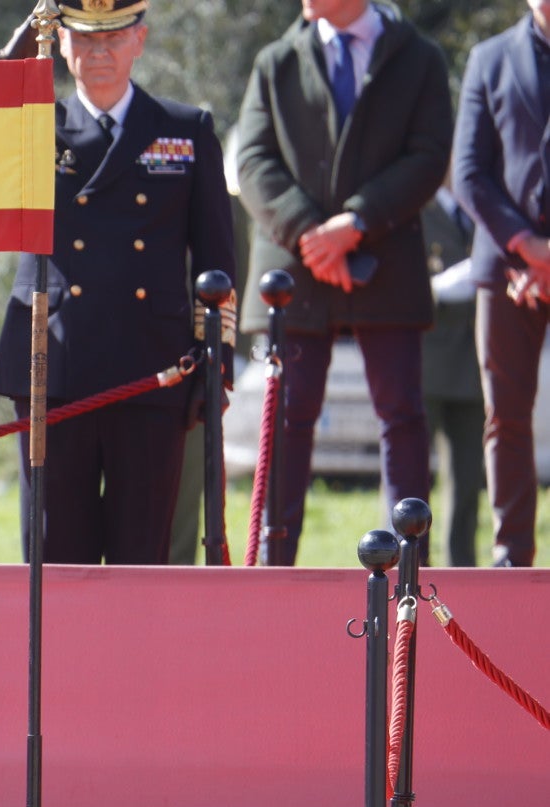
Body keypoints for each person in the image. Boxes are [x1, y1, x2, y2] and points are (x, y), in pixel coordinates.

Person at [0, 0, 237, 565]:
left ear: (139, 41)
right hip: (52, 365)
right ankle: (57, 660)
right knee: (55, 560)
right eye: (85, 40)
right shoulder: (34, 125)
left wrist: (217, 357)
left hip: (151, 368)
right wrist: (27, 35)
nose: (99, 53)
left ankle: (136, 657)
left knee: (141, 554)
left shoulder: (184, 129)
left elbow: (217, 262)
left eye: (113, 39)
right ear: (64, 46)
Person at [235, 0, 450, 565]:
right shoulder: (275, 61)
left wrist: (356, 223)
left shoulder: (420, 59)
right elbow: (253, 160)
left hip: (386, 258)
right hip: (295, 269)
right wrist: (313, 234)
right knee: (286, 417)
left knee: (401, 415)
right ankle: (273, 565)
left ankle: (409, 568)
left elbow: (429, 156)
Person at [453, 1, 550, 567]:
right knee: (506, 417)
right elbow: (468, 172)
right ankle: (512, 556)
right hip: (506, 267)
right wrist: (528, 248)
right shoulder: (488, 59)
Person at [420, 189, 484, 567]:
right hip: (424, 359)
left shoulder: (480, 206)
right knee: (409, 477)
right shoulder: (417, 206)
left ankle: (463, 571)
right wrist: (440, 287)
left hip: (472, 361)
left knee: (466, 484)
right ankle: (405, 570)